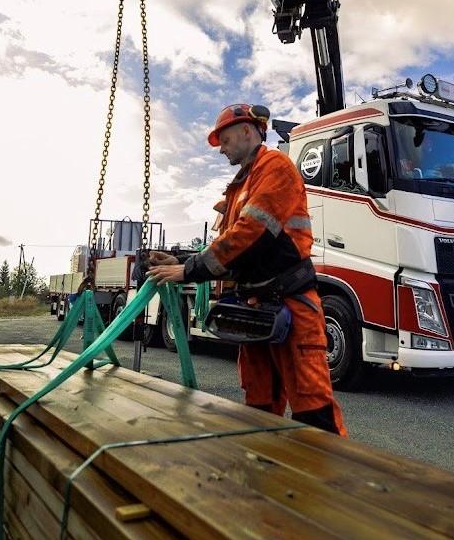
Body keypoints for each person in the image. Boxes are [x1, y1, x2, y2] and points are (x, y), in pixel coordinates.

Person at [148, 103, 346, 436]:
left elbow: (250, 234)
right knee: (259, 404)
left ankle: (334, 483)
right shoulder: (241, 186)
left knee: (313, 409)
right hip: (256, 308)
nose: (221, 149)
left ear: (246, 131)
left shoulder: (275, 167)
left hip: (292, 305)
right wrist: (182, 264)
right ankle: (265, 476)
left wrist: (189, 271)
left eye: (224, 140)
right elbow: (233, 254)